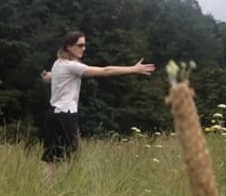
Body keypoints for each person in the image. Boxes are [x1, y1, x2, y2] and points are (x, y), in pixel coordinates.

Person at [40, 31, 155, 179]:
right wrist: (134, 69)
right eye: (80, 45)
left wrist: (47, 76)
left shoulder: (58, 63)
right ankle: (67, 188)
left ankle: (46, 190)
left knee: (51, 159)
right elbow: (106, 70)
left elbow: (51, 78)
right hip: (66, 115)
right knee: (73, 158)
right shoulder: (72, 66)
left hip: (53, 115)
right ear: (69, 47)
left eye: (84, 45)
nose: (84, 48)